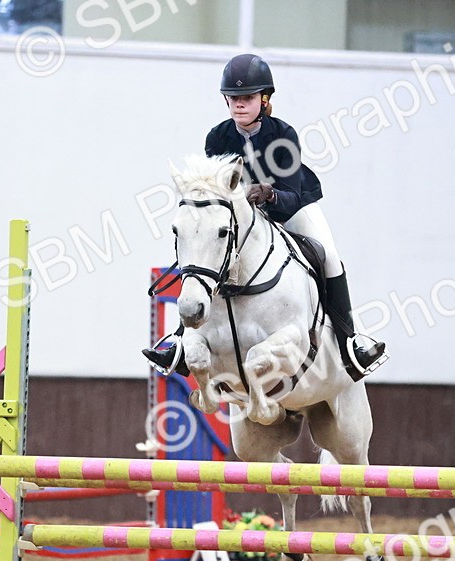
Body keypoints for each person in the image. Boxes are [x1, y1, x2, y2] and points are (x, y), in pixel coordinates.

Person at [144, 53, 387, 382]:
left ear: (264, 99)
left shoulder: (283, 134)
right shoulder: (217, 137)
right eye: (233, 98)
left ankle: (350, 343)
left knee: (329, 256)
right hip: (242, 220)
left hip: (292, 207)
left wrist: (269, 194)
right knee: (203, 255)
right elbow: (217, 193)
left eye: (246, 98)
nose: (239, 105)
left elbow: (293, 195)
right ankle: (179, 339)